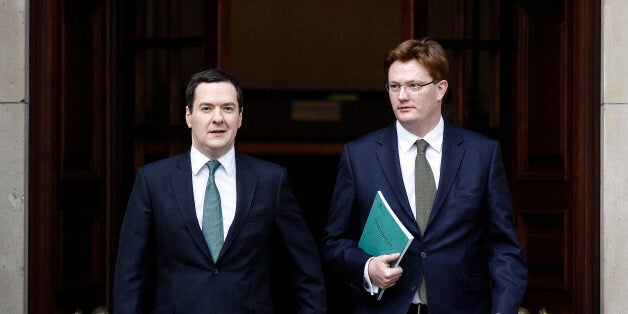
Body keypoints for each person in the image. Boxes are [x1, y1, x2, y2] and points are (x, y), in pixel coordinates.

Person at [321, 38, 527, 314]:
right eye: (394, 86)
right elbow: (334, 241)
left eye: (414, 86)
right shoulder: (360, 155)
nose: (402, 95)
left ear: (440, 89)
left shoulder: (481, 154)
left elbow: (504, 249)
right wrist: (367, 268)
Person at [114, 69, 327, 313]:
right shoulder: (153, 180)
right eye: (206, 108)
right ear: (188, 116)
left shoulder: (270, 180)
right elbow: (130, 274)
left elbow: (306, 267)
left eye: (227, 108)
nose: (218, 118)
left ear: (240, 117)